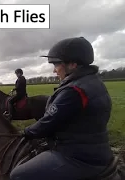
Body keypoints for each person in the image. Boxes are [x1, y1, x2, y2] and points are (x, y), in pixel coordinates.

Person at [10, 37, 114, 180]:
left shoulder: (74, 90)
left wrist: (27, 132)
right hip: (94, 148)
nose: (54, 71)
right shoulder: (93, 81)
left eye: (56, 65)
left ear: (72, 64)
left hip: (77, 155)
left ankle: (8, 112)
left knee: (18, 175)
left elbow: (49, 121)